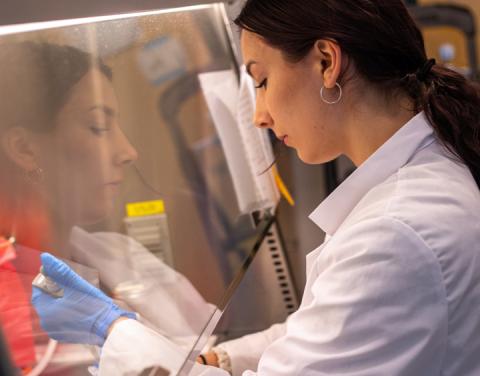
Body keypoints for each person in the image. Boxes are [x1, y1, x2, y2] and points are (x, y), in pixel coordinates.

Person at [32, 0, 480, 375]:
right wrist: (221, 357)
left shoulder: (396, 231)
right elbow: (330, 327)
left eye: (262, 81)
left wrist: (111, 330)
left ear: (327, 62)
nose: (258, 115)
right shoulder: (424, 180)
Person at [0, 41, 214, 375]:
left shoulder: (119, 252)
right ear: (25, 148)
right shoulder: (10, 298)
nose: (128, 151)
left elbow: (209, 347)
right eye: (98, 127)